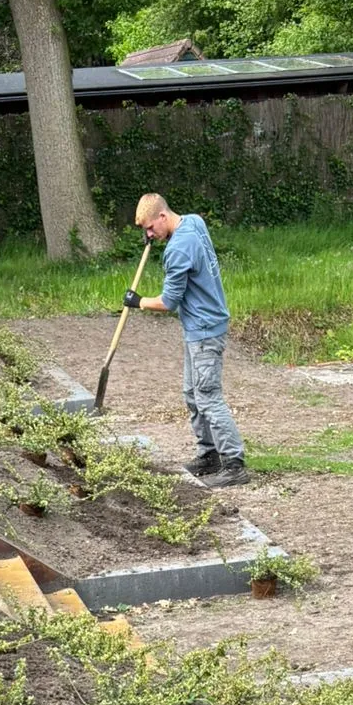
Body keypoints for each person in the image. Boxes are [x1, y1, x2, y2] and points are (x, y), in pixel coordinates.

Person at [125, 193, 248, 487]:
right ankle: (209, 455)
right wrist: (159, 236)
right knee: (192, 394)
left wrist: (138, 301)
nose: (149, 235)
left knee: (207, 396)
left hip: (205, 329)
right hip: (200, 327)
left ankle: (234, 464)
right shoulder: (193, 222)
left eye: (150, 228)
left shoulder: (178, 250)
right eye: (145, 231)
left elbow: (168, 302)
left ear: (163, 217)